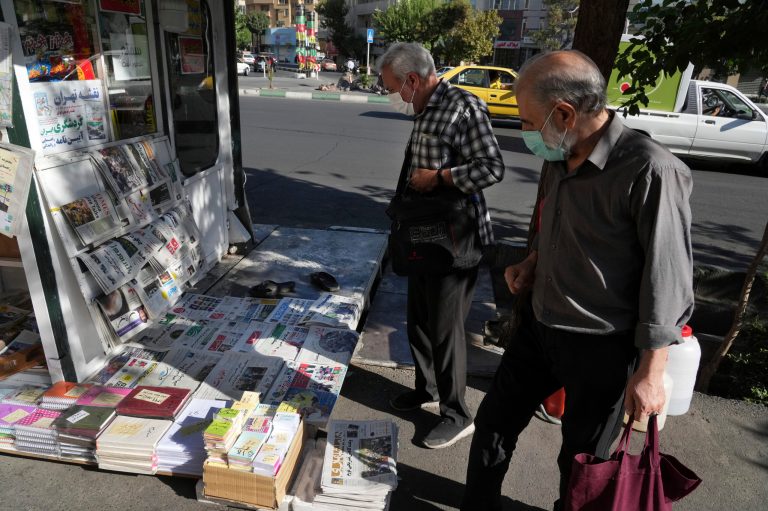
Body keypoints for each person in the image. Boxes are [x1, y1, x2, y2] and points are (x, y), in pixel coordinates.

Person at [461, 50, 694, 510]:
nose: (525, 132)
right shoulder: (560, 154)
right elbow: (558, 226)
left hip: (601, 347)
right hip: (539, 324)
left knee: (582, 460)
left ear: (565, 113)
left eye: (528, 121)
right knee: (493, 424)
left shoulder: (650, 169)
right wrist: (532, 262)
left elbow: (667, 279)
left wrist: (652, 372)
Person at [378, 42, 505, 449]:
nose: (392, 95)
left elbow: (491, 168)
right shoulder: (423, 107)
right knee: (417, 318)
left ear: (413, 80)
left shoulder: (462, 108)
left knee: (446, 329)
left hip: (456, 240)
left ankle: (457, 413)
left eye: (393, 87)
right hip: (423, 237)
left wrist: (440, 178)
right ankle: (427, 389)